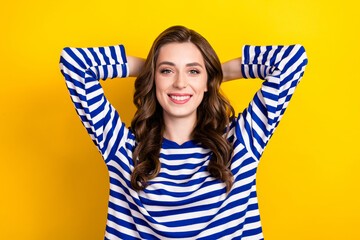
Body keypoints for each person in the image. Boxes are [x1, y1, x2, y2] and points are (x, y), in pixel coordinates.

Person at [59, 25, 308, 239]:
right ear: (153, 79)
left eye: (193, 71)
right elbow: (75, 64)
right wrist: (150, 69)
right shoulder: (122, 147)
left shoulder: (242, 140)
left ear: (207, 81)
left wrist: (215, 73)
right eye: (167, 71)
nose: (180, 83)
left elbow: (291, 59)